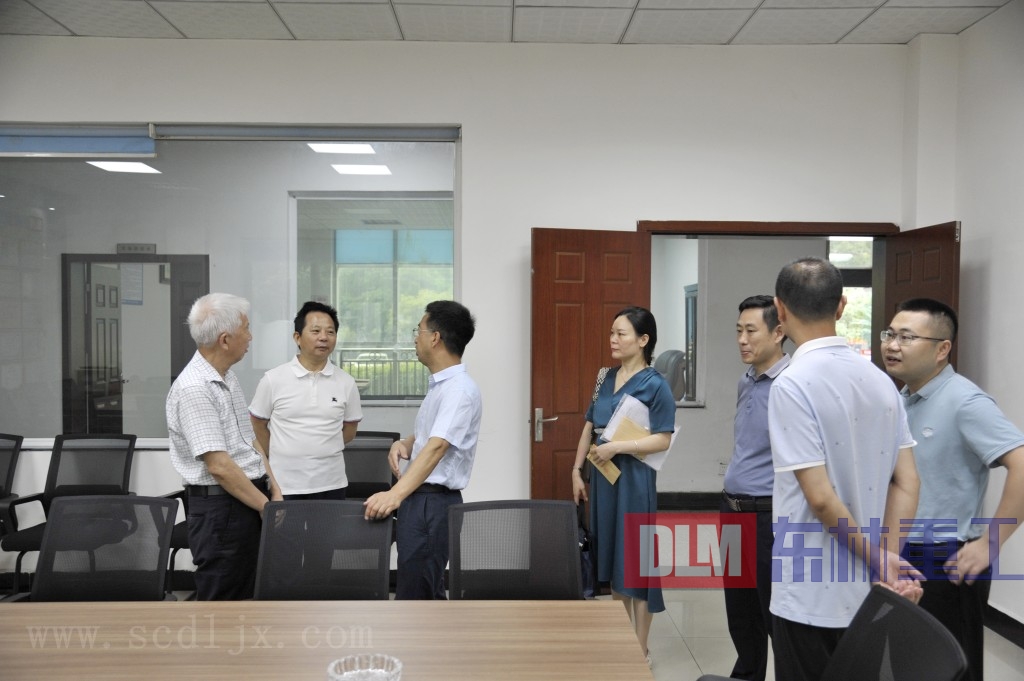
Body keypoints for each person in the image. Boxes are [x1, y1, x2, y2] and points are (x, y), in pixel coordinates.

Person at [768, 258, 922, 681]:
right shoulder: (881, 381)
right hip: (868, 590)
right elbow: (908, 480)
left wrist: (878, 558)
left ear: (779, 309)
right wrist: (886, 559)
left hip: (808, 592)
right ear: (841, 305)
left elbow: (820, 498)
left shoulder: (791, 384)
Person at [883, 298, 1024, 681]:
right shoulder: (902, 398)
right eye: (890, 334)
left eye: (907, 337)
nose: (892, 345)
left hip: (945, 558)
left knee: (949, 668)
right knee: (908, 665)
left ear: (942, 349)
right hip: (902, 551)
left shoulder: (965, 400)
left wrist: (991, 542)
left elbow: (1021, 463)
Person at [571, 306, 676, 665]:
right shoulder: (605, 377)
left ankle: (640, 648)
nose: (613, 339)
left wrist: (619, 447)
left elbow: (663, 438)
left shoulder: (656, 384)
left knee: (637, 562)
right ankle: (622, 640)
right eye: (612, 333)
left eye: (621, 334)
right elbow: (589, 426)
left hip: (634, 479)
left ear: (643, 340)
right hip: (604, 477)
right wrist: (576, 470)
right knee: (614, 558)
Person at [166, 293, 283, 600]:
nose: (251, 336)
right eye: (246, 328)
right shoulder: (194, 388)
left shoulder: (226, 378)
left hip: (248, 499)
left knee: (253, 596)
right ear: (225, 339)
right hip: (223, 509)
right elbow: (218, 466)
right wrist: (265, 506)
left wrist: (274, 488)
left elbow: (250, 441)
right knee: (224, 606)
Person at [363, 300, 482, 600]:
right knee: (421, 591)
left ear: (435, 337)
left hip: (433, 502)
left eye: (419, 330)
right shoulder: (442, 386)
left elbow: (437, 447)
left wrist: (394, 494)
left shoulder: (459, 390)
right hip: (421, 500)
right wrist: (407, 442)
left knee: (417, 598)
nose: (415, 338)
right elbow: (433, 435)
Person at [721, 295, 789, 681]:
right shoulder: (745, 380)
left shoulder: (792, 385)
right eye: (738, 331)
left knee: (775, 613)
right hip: (732, 512)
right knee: (740, 612)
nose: (742, 340)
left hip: (769, 517)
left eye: (751, 331)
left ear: (778, 332)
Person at [249, 301, 363, 500]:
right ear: (297, 337)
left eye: (330, 332)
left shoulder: (346, 382)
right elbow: (257, 424)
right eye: (316, 331)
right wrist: (279, 453)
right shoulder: (273, 379)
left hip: (332, 483)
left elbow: (350, 430)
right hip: (284, 485)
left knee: (330, 523)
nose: (323, 338)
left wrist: (322, 447)